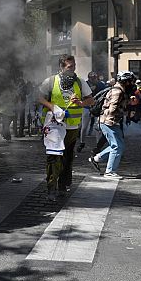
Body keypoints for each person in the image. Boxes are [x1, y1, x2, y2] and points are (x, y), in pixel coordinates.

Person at [37, 54, 94, 197]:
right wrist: (52, 107)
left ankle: (63, 185)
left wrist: (81, 103)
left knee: (67, 156)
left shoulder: (80, 82)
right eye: (70, 66)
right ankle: (51, 186)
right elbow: (38, 97)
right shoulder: (50, 81)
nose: (73, 69)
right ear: (61, 67)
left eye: (74, 66)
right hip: (53, 126)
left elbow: (91, 100)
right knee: (53, 156)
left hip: (72, 128)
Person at [87, 71, 136, 178]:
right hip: (108, 122)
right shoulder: (117, 92)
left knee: (119, 146)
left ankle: (96, 159)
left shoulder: (120, 90)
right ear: (125, 81)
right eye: (130, 81)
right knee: (116, 146)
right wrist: (124, 111)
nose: (132, 84)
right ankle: (109, 172)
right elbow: (112, 108)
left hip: (112, 122)